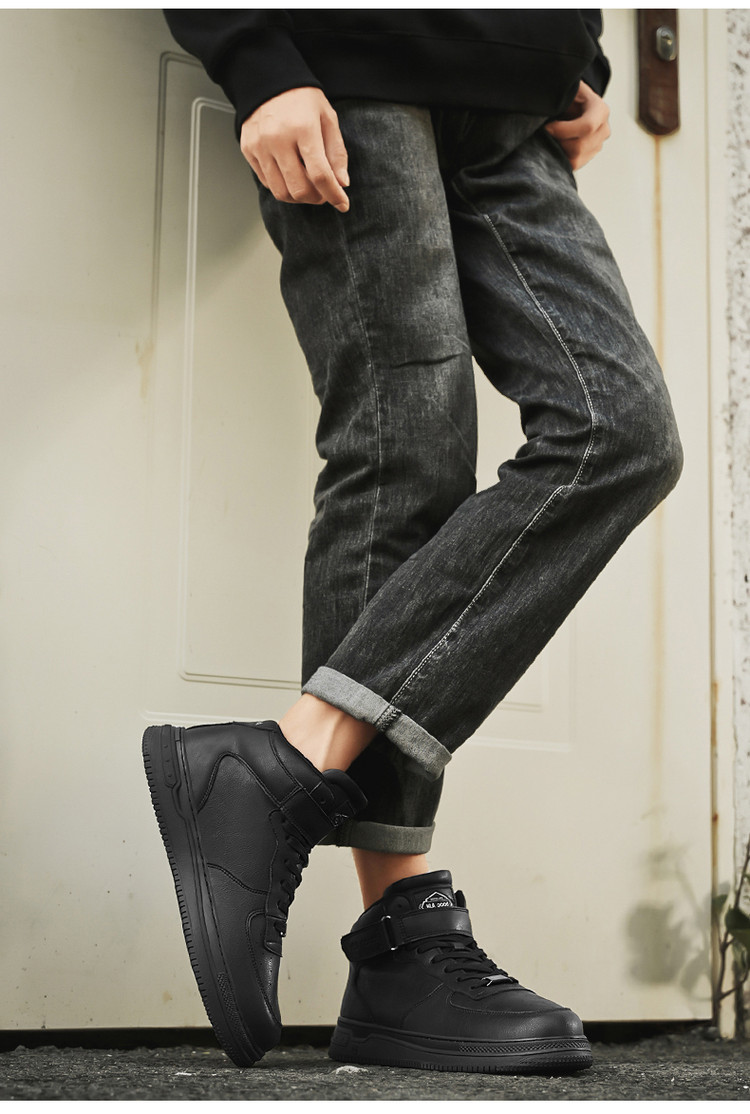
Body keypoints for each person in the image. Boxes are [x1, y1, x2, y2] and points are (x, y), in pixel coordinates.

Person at [143, 10, 683, 1075]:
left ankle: (288, 758)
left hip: (519, 95)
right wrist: (256, 55)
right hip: (351, 65)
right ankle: (398, 940)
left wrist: (579, 53)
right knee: (406, 459)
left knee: (621, 432)